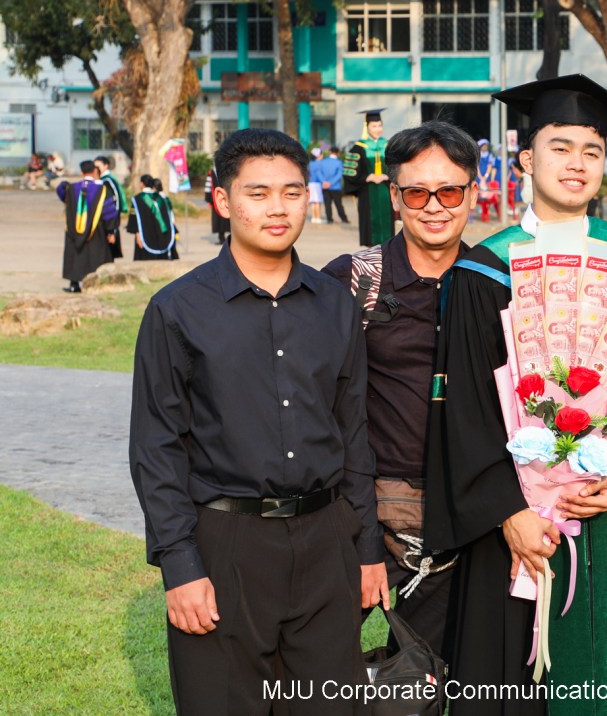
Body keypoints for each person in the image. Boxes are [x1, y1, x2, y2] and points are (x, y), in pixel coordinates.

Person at [423, 74, 607, 714]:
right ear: (527, 158)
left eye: (592, 150)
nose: (577, 164)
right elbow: (469, 413)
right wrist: (511, 511)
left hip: (604, 509)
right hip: (516, 527)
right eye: (560, 148)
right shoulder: (485, 270)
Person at [129, 128, 389, 716]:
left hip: (327, 541)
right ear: (223, 202)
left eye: (292, 192)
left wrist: (367, 547)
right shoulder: (177, 310)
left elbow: (353, 433)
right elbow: (156, 447)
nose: (277, 208)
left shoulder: (336, 303)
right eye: (258, 193)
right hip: (226, 542)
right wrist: (180, 564)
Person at [322, 121, 479, 668]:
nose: (434, 206)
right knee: (312, 669)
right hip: (357, 512)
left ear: (472, 194)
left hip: (454, 522)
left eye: (450, 191)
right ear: (394, 196)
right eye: (417, 192)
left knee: (419, 679)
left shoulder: (495, 283)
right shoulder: (353, 279)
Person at [56, 159, 119, 293]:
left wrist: (63, 183)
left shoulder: (72, 188)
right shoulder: (102, 190)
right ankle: (96, 284)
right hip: (97, 231)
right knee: (95, 256)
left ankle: (74, 284)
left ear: (81, 172)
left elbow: (61, 193)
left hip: (74, 231)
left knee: (76, 256)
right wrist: (111, 231)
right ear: (94, 171)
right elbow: (109, 212)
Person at [344, 108, 395, 246]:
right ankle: (370, 251)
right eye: (374, 126)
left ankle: (388, 249)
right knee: (369, 224)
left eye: (380, 125)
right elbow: (350, 171)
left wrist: (387, 175)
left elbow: (398, 167)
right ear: (367, 127)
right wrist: (368, 177)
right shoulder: (359, 147)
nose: (378, 129)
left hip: (386, 189)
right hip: (367, 190)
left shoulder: (389, 145)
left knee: (387, 223)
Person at [127, 173, 180, 261]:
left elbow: (135, 219)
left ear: (142, 184)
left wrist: (137, 234)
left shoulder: (137, 199)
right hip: (161, 236)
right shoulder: (161, 198)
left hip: (145, 234)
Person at [94, 154, 128, 260]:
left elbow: (115, 201)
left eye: (98, 166)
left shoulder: (108, 181)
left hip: (110, 219)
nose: (96, 169)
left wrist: (113, 223)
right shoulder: (101, 180)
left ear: (106, 166)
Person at [319, 147, 350, 225]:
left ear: (330, 152)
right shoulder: (339, 162)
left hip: (325, 187)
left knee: (327, 204)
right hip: (336, 187)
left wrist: (324, 182)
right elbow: (339, 175)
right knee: (338, 204)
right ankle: (344, 219)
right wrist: (331, 183)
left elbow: (319, 173)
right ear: (338, 153)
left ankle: (329, 219)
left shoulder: (323, 162)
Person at [204, 166, 229, 245]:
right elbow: (208, 186)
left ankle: (226, 238)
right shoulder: (211, 172)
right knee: (218, 219)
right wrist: (209, 198)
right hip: (216, 199)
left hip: (226, 198)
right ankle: (221, 238)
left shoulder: (227, 169)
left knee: (227, 219)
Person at [307, 147, 327, 224]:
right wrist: (324, 181)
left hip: (311, 183)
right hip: (317, 184)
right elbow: (319, 174)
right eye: (321, 154)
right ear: (318, 155)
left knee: (313, 202)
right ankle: (318, 218)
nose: (322, 155)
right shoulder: (319, 163)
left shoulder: (310, 163)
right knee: (318, 202)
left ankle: (313, 218)